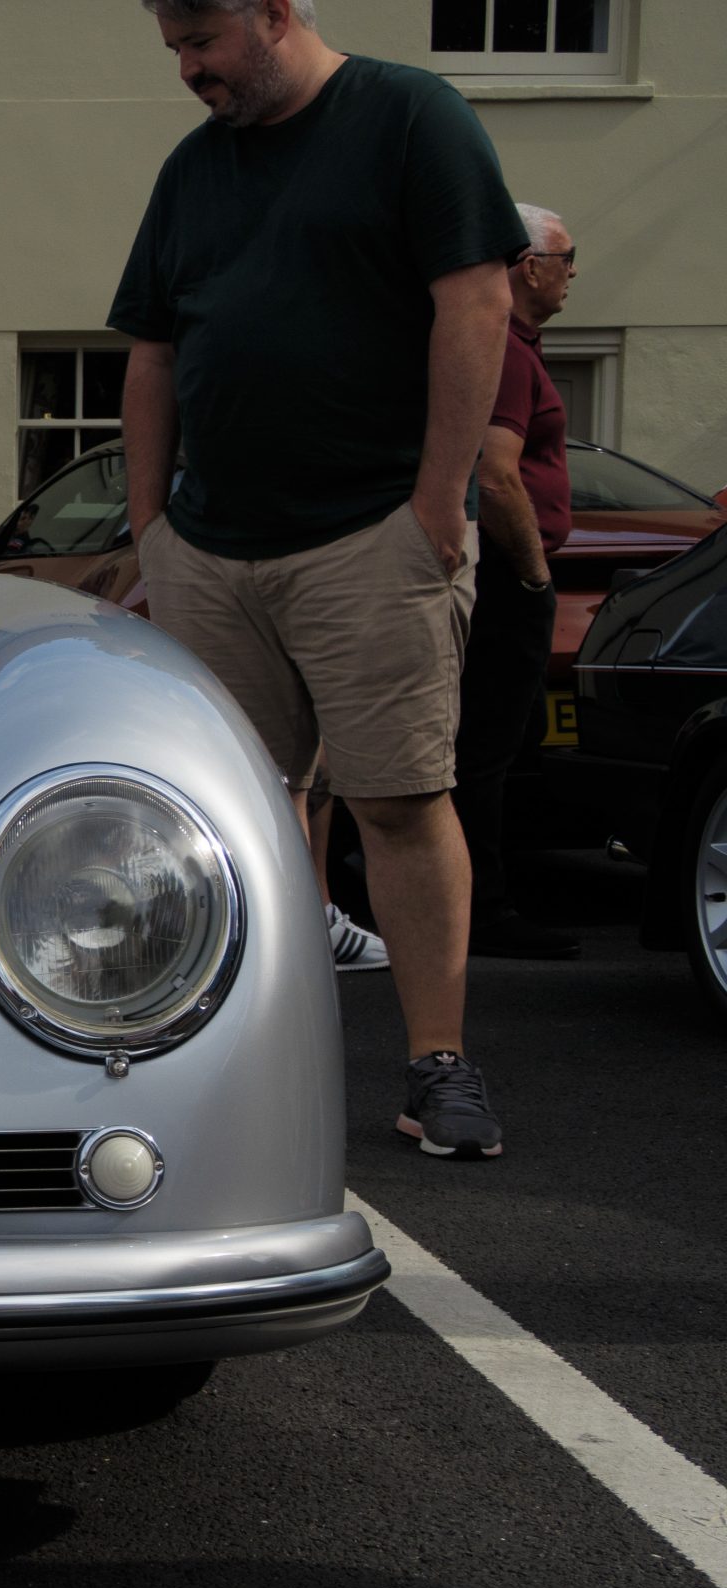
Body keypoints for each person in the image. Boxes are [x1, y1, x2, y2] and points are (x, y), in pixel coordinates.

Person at [109, 0, 527, 1160]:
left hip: (367, 536)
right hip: (210, 549)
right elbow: (151, 352)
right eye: (174, 51)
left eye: (201, 46)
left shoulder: (408, 118)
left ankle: (437, 1064)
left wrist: (437, 505)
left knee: (396, 799)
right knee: (231, 815)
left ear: (276, 15)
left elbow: (477, 300)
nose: (187, 71)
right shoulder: (194, 171)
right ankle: (253, 1053)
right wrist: (150, 530)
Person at [455, 204, 581, 960]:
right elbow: (496, 475)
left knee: (499, 738)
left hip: (504, 571)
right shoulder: (506, 351)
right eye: (567, 258)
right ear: (530, 266)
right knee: (486, 745)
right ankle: (484, 909)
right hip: (504, 575)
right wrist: (534, 575)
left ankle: (491, 893)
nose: (572, 275)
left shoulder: (516, 348)